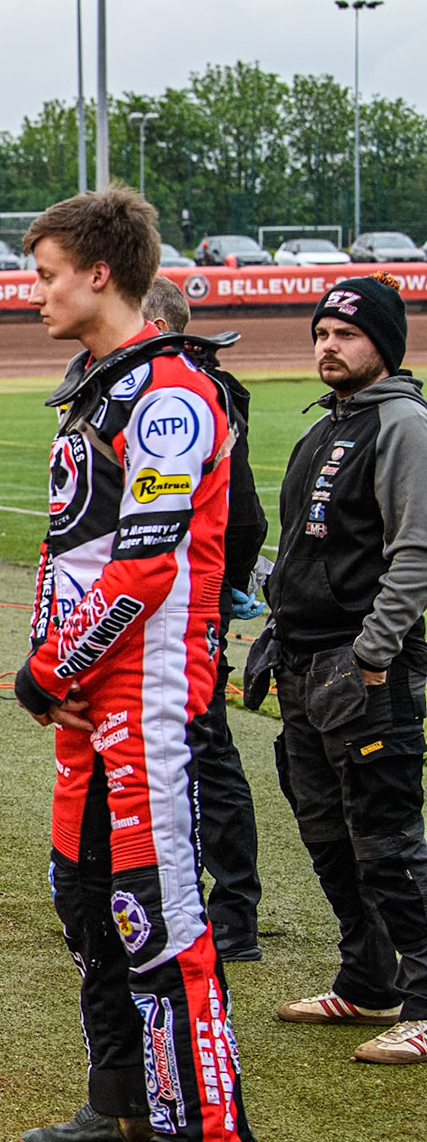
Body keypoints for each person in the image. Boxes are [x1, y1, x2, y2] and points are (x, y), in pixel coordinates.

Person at [12, 187, 251, 1142]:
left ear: (100, 272)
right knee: (89, 901)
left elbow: (147, 565)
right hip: (91, 702)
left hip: (148, 699)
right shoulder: (99, 390)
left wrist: (52, 671)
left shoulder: (167, 391)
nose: (36, 296)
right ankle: (120, 1100)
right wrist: (57, 669)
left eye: (46, 275)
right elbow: (75, 550)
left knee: (159, 911)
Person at [267, 272, 427, 1065]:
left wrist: (370, 656)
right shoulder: (325, 427)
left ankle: (426, 1001)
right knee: (325, 832)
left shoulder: (401, 425)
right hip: (303, 663)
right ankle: (369, 981)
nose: (329, 345)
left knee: (388, 837)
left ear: (384, 345)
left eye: (346, 334)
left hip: (361, 672)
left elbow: (413, 555)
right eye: (321, 333)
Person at [146, 276, 269, 962]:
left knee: (204, 751)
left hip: (188, 608)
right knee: (157, 756)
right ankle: (161, 896)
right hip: (146, 607)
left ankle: (233, 912)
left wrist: (211, 599)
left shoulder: (203, 396)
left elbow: (244, 517)